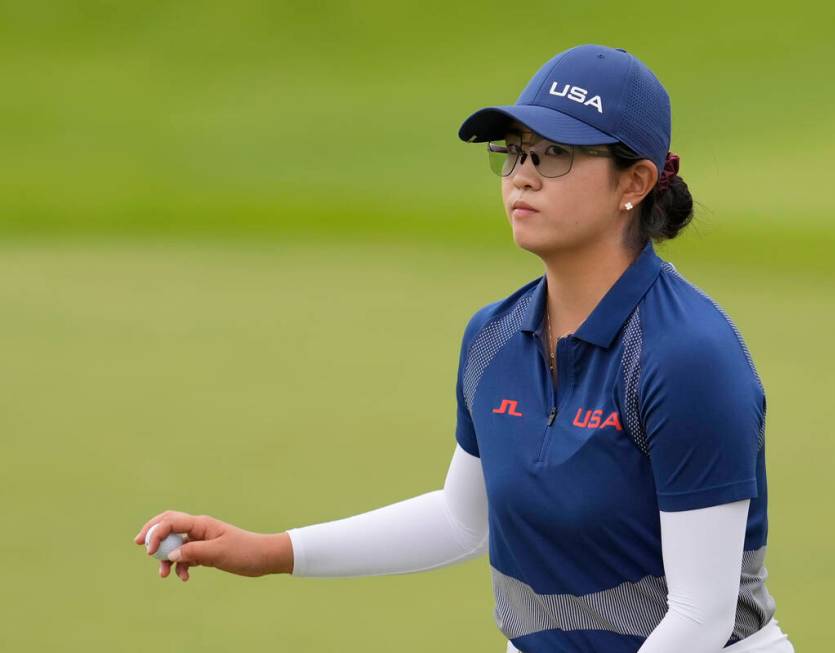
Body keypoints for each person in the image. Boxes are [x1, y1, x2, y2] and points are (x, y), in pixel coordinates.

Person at [133, 44, 795, 653]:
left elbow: (700, 616)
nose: (522, 176)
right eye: (514, 152)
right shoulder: (494, 336)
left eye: (555, 154)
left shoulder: (687, 355)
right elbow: (461, 517)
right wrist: (267, 549)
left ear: (635, 182)